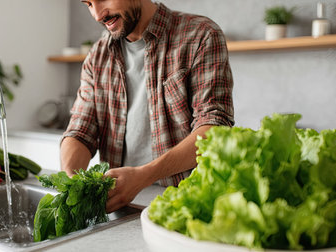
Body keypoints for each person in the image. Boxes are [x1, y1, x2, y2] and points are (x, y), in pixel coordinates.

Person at [61, 0, 234, 213]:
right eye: (88, 4)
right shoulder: (97, 56)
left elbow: (214, 127)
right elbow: (80, 131)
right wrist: (70, 180)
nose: (97, 15)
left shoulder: (201, 35)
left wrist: (144, 176)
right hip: (121, 208)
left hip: (188, 205)